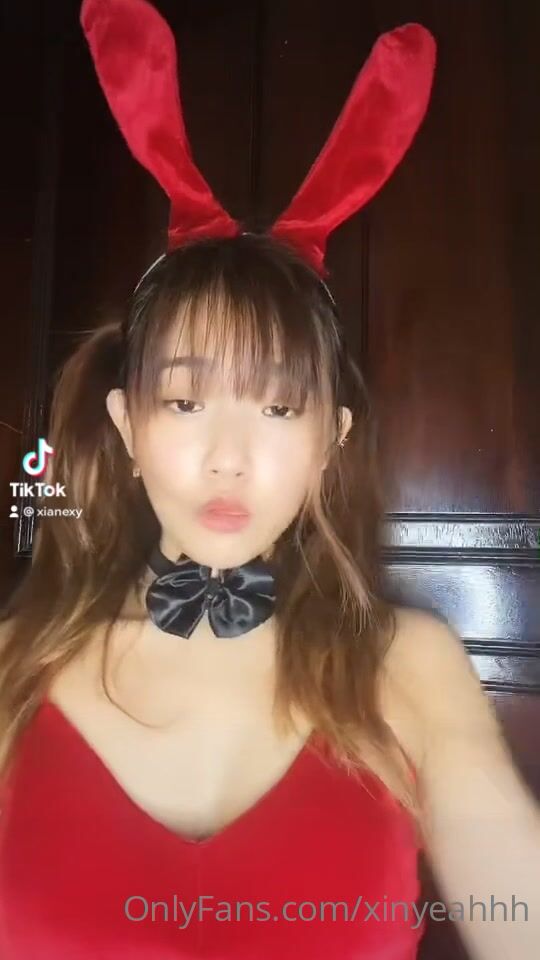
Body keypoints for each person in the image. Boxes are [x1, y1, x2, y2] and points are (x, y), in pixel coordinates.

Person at [0, 1, 539, 958]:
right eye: (185, 401)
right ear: (126, 429)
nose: (230, 455)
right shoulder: (14, 662)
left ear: (332, 440)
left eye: (280, 409)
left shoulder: (410, 666)